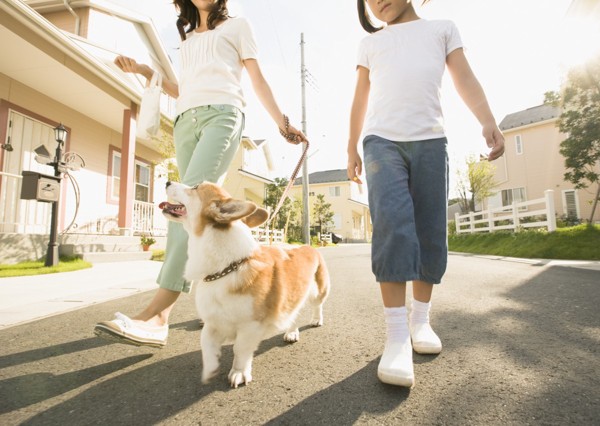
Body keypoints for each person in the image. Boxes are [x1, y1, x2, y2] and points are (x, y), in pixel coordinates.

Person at [94, 0, 305, 348]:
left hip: (222, 115)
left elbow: (256, 79)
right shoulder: (188, 38)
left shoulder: (239, 26)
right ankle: (232, 286)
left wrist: (282, 124)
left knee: (186, 209)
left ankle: (158, 316)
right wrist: (148, 72)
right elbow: (184, 90)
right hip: (184, 122)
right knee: (190, 212)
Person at [347, 0, 505, 387]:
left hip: (431, 141)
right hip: (381, 142)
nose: (376, 2)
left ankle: (421, 320)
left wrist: (487, 120)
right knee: (393, 227)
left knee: (430, 231)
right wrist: (351, 145)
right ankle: (396, 335)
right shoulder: (370, 44)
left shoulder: (442, 29)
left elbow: (464, 78)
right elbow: (360, 98)